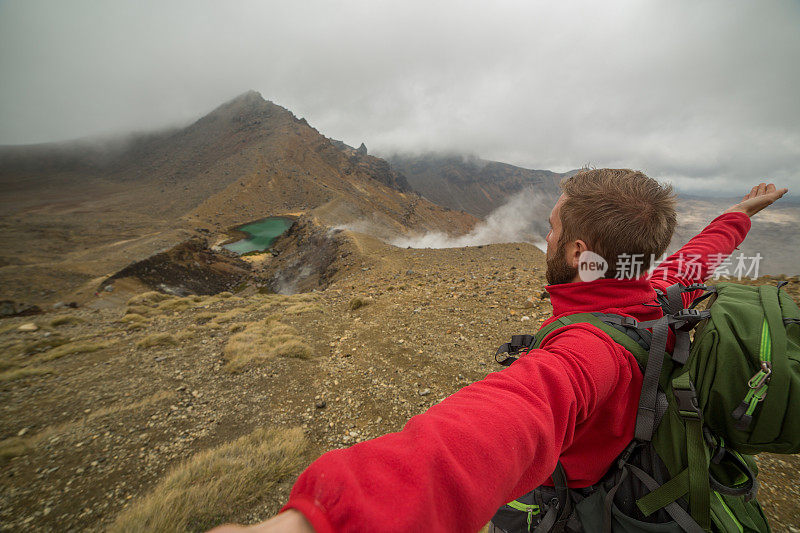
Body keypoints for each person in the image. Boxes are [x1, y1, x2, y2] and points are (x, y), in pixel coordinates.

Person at [210, 170, 788, 533]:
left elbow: (496, 426)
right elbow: (705, 252)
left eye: (554, 228)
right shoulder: (661, 292)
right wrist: (740, 214)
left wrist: (321, 521)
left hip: (601, 502)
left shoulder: (587, 351)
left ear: (578, 249)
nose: (546, 237)